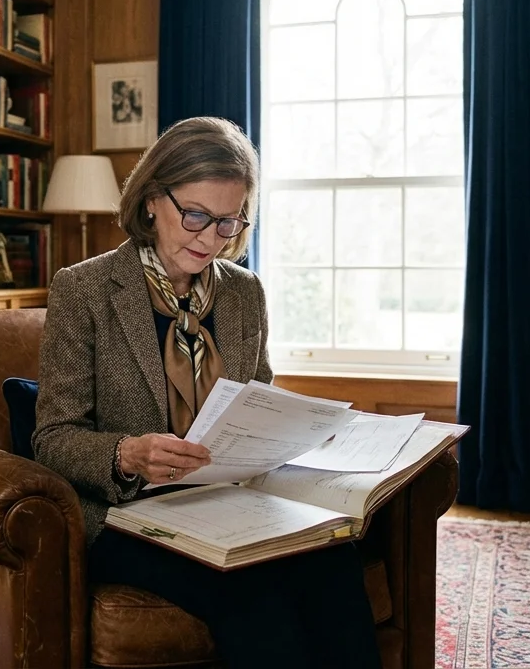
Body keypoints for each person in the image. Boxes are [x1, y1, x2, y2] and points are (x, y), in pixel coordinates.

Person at [32, 117, 381, 668]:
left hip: (233, 501)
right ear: (151, 199)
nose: (209, 237)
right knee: (251, 595)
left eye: (227, 222)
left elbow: (259, 399)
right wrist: (127, 455)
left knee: (331, 562)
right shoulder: (85, 289)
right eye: (195, 215)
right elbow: (52, 437)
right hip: (132, 515)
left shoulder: (245, 293)